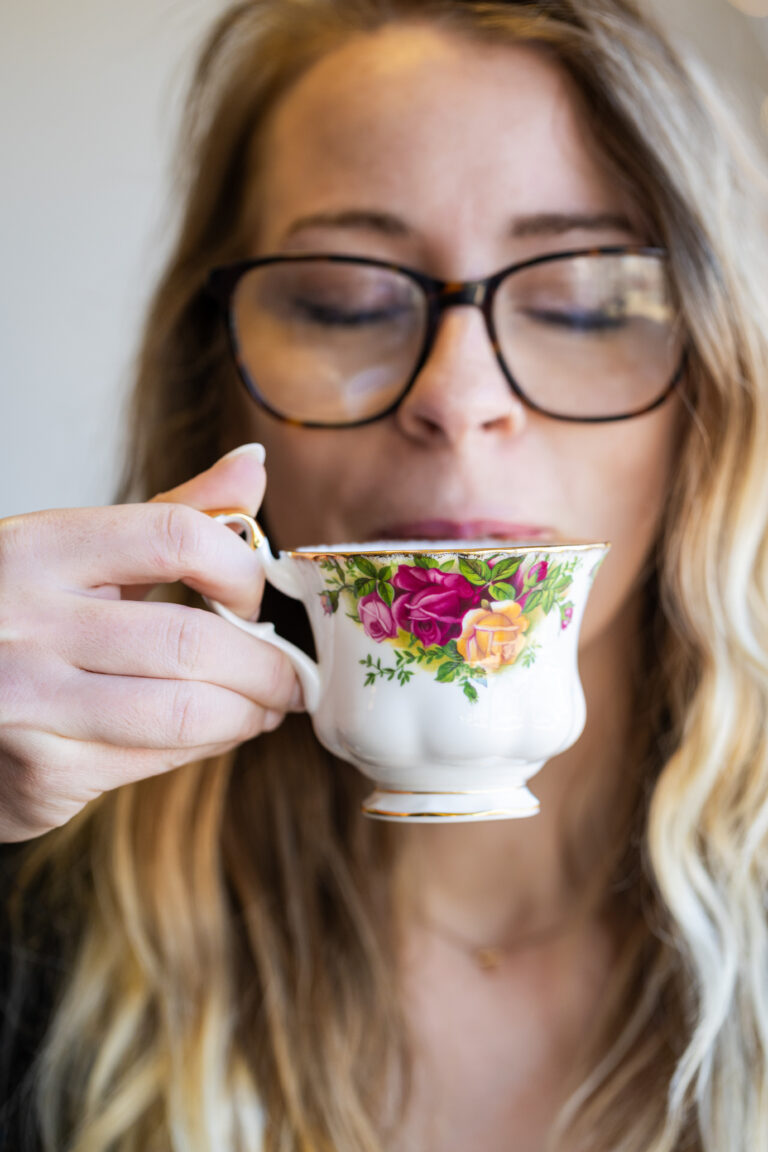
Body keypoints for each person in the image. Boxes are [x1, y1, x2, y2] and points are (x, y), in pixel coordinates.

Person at [1, 0, 768, 1148]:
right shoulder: (35, 922)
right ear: (216, 383)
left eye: (583, 301)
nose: (457, 400)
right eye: (343, 300)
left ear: (715, 390)